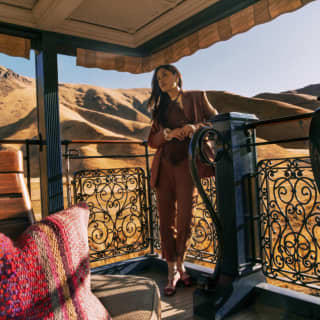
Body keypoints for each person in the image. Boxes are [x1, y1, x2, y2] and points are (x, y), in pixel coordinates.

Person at [147, 64, 218, 296]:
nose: (161, 81)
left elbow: (216, 121)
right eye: (158, 78)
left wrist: (194, 127)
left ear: (177, 75)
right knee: (166, 218)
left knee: (185, 217)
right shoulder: (159, 109)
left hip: (189, 166)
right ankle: (172, 270)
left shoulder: (197, 97)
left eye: (165, 75)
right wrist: (166, 134)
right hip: (165, 165)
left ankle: (181, 263)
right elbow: (152, 140)